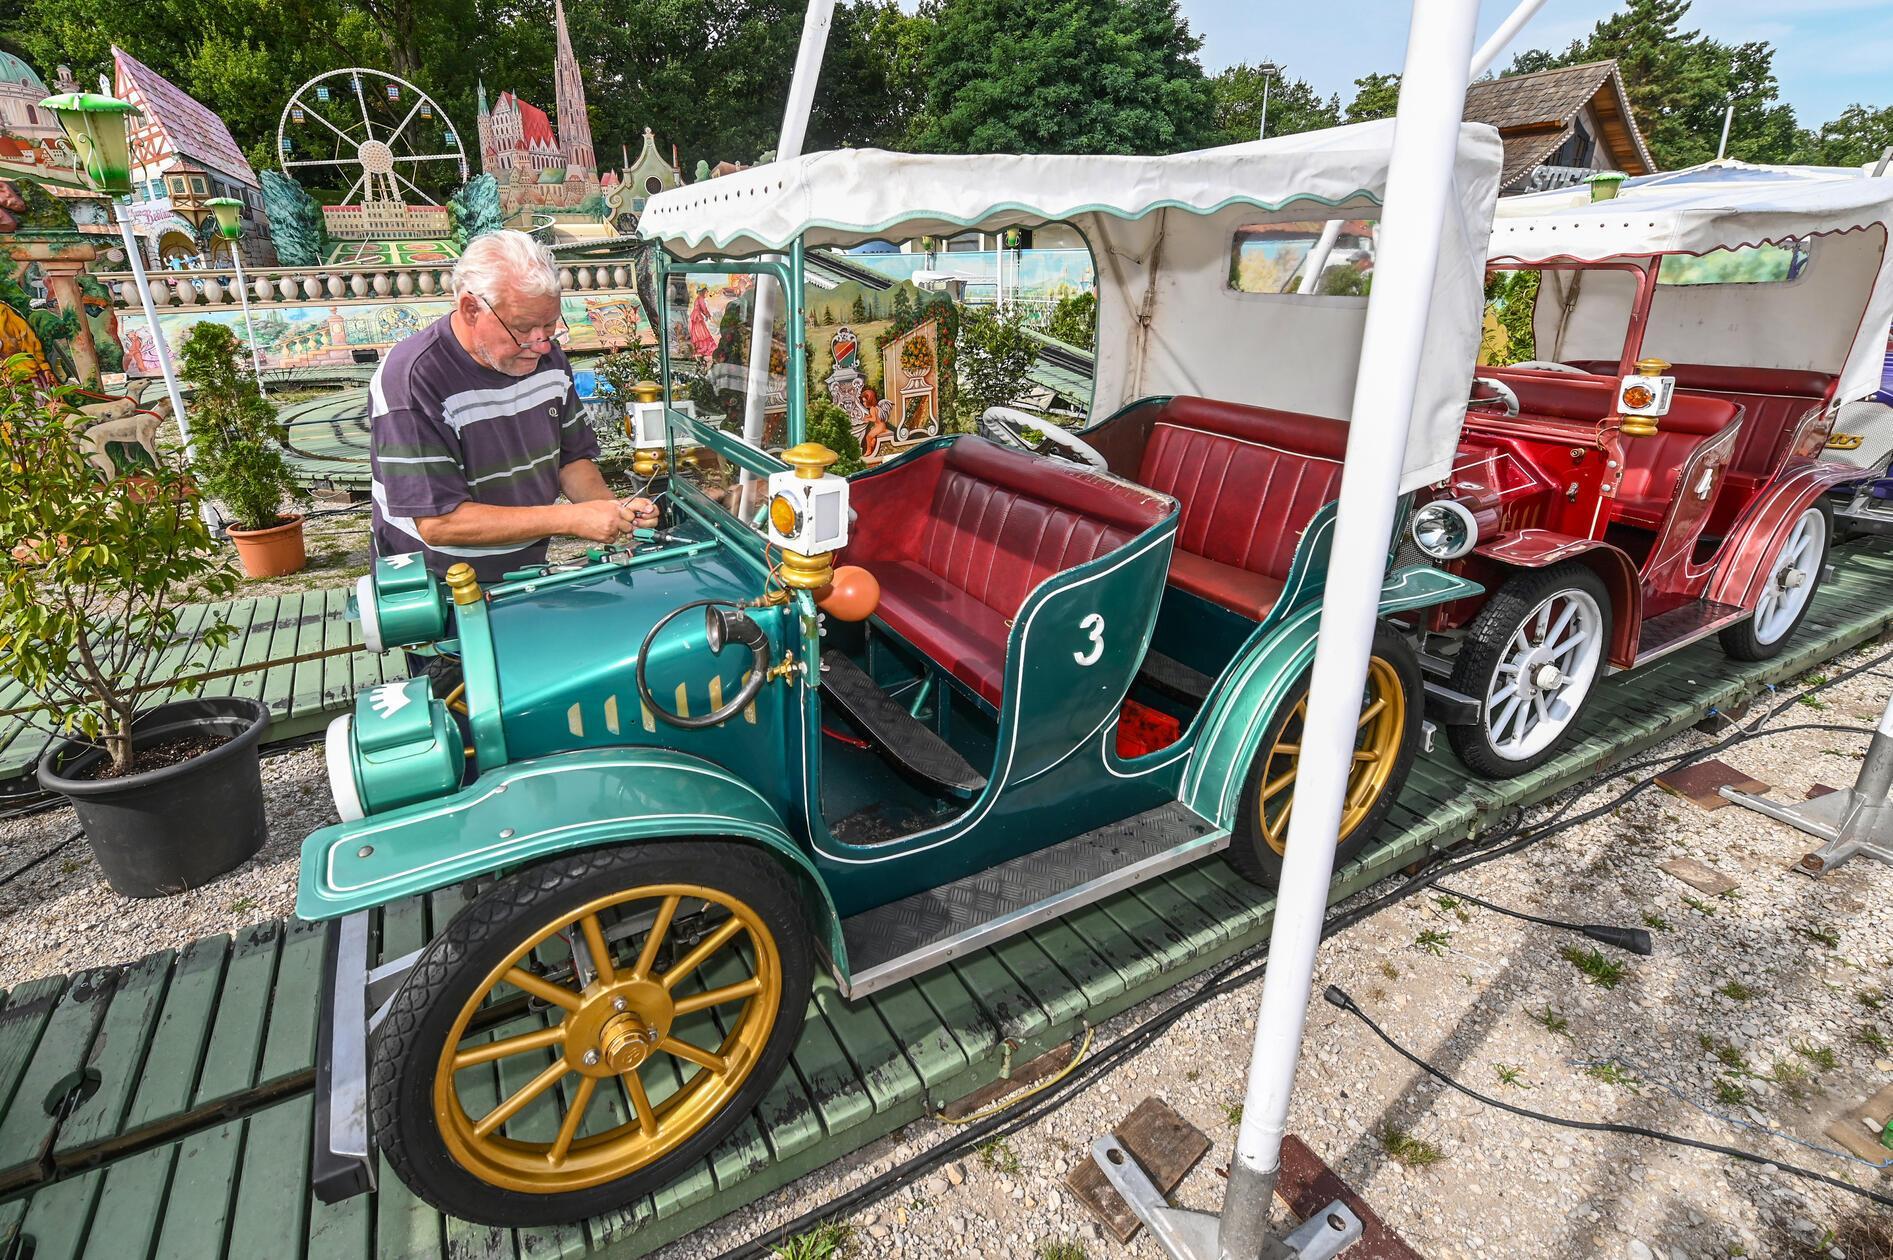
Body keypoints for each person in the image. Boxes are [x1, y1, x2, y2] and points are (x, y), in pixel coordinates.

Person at [368, 228, 655, 586]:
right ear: (471, 309)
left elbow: (571, 458)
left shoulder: (546, 358)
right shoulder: (412, 379)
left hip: (523, 570)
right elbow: (439, 522)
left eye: (549, 326)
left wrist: (612, 510)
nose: (541, 345)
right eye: (522, 328)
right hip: (437, 584)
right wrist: (571, 519)